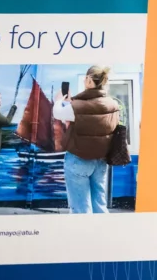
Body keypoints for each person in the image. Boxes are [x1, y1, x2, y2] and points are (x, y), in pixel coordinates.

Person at [54, 66, 120, 214]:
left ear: (89, 81)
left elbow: (58, 113)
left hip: (78, 160)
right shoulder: (113, 104)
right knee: (100, 205)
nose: (84, 80)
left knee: (80, 208)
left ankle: (83, 236)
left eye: (85, 78)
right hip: (101, 161)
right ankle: (101, 235)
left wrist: (59, 100)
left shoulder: (77, 106)